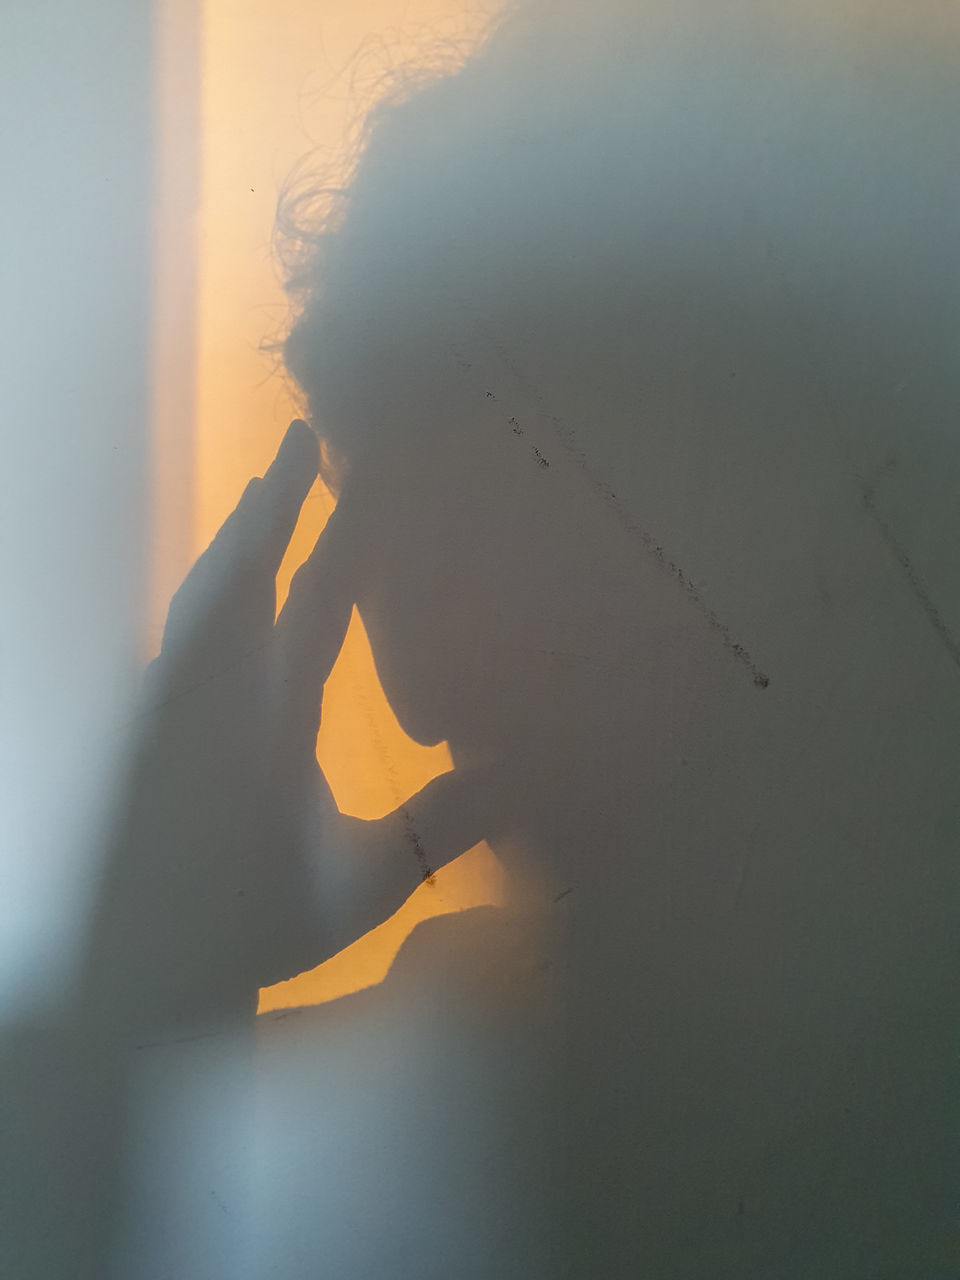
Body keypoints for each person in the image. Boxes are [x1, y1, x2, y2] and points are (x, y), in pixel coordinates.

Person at [18, 1, 959, 1275]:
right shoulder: (413, 1134)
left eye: (504, 539)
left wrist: (128, 1017)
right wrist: (139, 1004)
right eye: (391, 548)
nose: (426, 692)